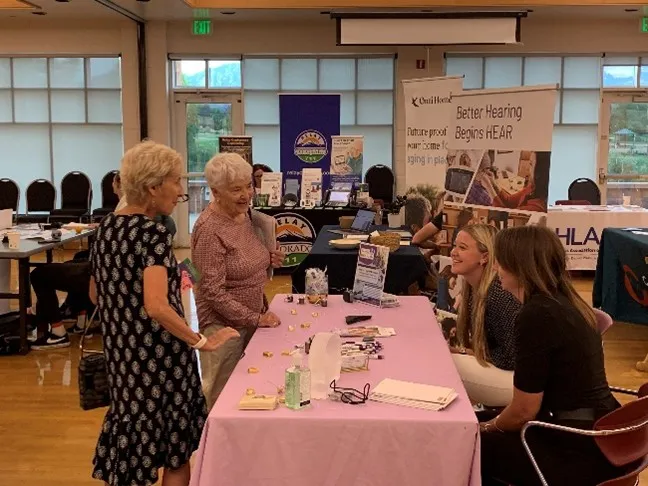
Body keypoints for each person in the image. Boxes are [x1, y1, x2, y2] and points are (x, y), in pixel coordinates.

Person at [89, 141, 239, 486]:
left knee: (133, 451)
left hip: (124, 360)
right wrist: (200, 340)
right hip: (162, 360)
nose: (180, 190)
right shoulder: (153, 233)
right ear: (153, 187)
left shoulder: (104, 231)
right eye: (175, 181)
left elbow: (96, 293)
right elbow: (156, 305)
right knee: (175, 451)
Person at [480, 226, 623, 486]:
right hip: (599, 434)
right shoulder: (566, 302)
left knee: (469, 440)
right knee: (476, 422)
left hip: (572, 446)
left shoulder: (537, 315)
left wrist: (488, 427)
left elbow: (524, 411)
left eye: (500, 262)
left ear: (519, 265)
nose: (494, 268)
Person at [192, 153, 285, 409]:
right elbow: (212, 291)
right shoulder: (209, 229)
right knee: (222, 400)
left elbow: (242, 259)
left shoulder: (244, 216)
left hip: (253, 314)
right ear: (216, 192)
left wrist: (268, 258)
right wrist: (256, 319)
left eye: (248, 186)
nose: (246, 194)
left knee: (254, 393)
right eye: (236, 189)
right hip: (224, 327)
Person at [449, 224, 521, 406]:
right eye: (455, 246)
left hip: (518, 383)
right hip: (508, 374)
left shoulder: (497, 294)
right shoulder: (474, 289)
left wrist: (470, 352)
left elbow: (512, 358)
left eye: (462, 248)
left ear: (485, 257)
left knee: (445, 362)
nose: (453, 252)